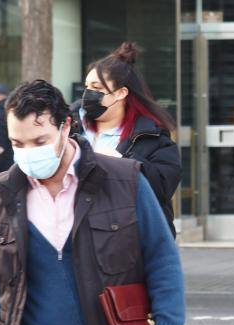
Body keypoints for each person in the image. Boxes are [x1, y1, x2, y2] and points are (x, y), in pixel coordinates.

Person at [0, 80, 185, 325]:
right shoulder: (2, 191)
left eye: (39, 141)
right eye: (17, 144)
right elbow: (1, 281)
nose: (27, 154)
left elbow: (162, 257)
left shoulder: (125, 180)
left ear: (65, 127)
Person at [74, 42, 181, 237]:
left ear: (121, 93)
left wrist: (121, 162)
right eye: (87, 86)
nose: (87, 93)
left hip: (124, 237)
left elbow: (162, 188)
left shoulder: (152, 136)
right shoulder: (68, 125)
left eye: (97, 87)